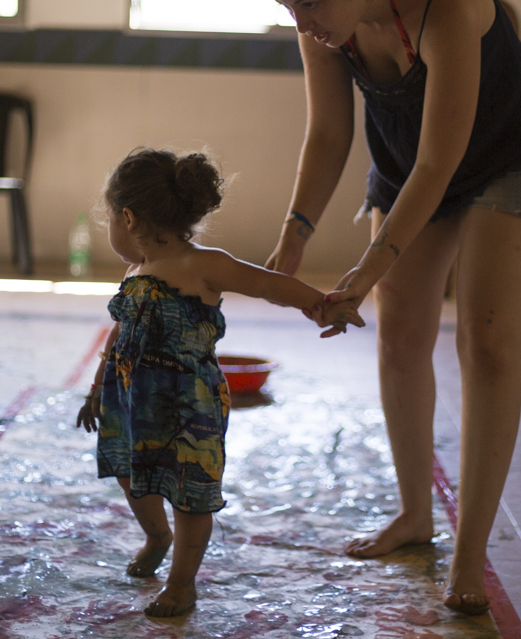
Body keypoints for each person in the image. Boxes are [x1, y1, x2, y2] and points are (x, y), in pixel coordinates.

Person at [255, 0, 521, 615]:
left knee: (487, 342)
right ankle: (414, 514)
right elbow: (329, 133)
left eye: (311, 6)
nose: (302, 23)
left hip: (509, 154)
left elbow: (441, 161)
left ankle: (470, 549)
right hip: (406, 161)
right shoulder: (320, 17)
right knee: (399, 337)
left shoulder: (447, 0)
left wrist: (367, 269)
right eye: (288, 8)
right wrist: (293, 235)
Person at [75, 148, 363, 618]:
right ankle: (157, 536)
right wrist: (96, 388)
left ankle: (181, 584)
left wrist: (320, 304)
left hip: (189, 407)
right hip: (130, 400)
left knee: (191, 495)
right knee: (130, 475)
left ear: (127, 218)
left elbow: (267, 284)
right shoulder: (135, 271)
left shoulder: (204, 264)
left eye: (108, 219)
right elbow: (120, 333)